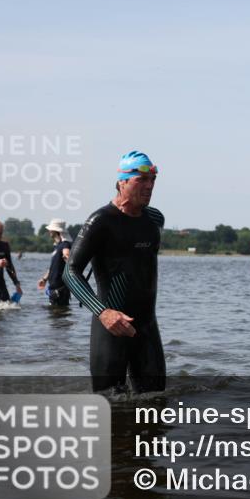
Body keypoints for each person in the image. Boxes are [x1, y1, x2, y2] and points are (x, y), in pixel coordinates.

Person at [64, 151, 166, 393]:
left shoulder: (155, 219)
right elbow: (71, 272)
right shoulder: (101, 221)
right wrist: (103, 312)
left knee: (156, 403)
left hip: (147, 328)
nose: (149, 186)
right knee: (109, 406)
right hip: (110, 329)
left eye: (153, 180)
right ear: (122, 182)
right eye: (141, 180)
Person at [37, 218, 73, 307]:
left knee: (58, 316)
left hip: (60, 289)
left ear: (56, 231)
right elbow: (53, 267)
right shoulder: (57, 246)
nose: (49, 231)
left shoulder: (65, 244)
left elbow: (66, 253)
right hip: (54, 288)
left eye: (51, 229)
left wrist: (67, 257)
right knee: (55, 318)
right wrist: (44, 279)